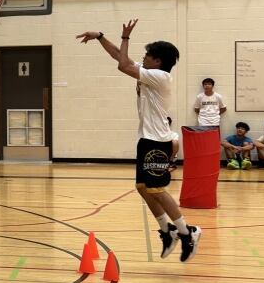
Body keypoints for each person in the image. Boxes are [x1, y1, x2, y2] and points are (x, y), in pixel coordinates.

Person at [77, 19, 201, 262]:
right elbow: (119, 58)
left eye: (147, 55)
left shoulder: (160, 76)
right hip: (147, 139)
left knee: (156, 189)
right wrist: (101, 36)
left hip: (158, 141)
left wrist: (125, 38)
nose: (143, 58)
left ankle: (188, 232)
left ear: (158, 60)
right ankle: (167, 231)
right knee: (143, 188)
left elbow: (123, 64)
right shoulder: (150, 73)